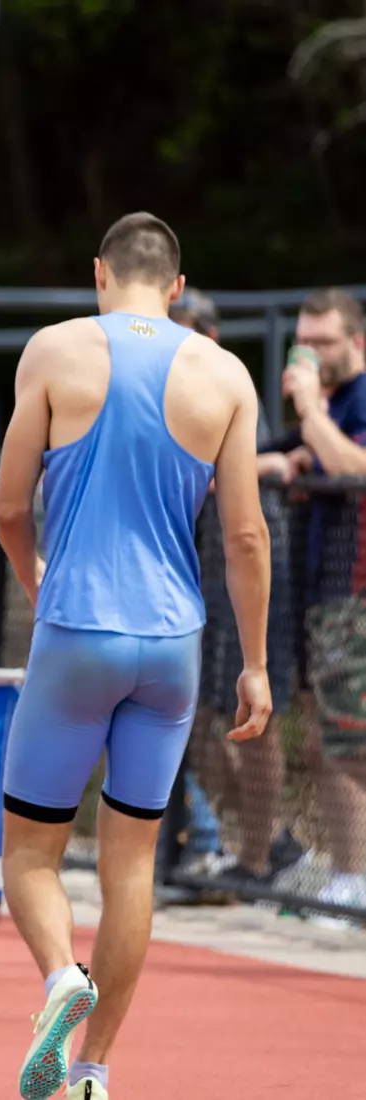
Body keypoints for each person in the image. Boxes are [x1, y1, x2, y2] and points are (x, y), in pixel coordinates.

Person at [0, 213, 272, 1100]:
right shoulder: (224, 373)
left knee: (29, 856)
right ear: (178, 287)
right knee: (131, 867)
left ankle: (58, 980)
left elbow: (7, 505)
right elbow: (245, 535)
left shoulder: (55, 349)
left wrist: (36, 581)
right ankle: (94, 1070)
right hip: (173, 646)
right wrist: (255, 664)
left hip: (78, 627)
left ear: (99, 277)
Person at [169, 289, 299, 886]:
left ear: (210, 336)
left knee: (251, 717)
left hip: (243, 575)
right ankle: (265, 839)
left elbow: (242, 503)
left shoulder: (224, 387)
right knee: (199, 725)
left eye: (183, 330)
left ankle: (259, 855)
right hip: (197, 572)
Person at [257, 288, 366, 924]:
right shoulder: (322, 411)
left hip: (357, 596)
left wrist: (311, 414)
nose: (310, 353)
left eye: (323, 342)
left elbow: (353, 467)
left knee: (352, 745)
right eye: (304, 340)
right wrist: (287, 455)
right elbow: (273, 456)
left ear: (356, 344)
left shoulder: (351, 401)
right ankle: (348, 879)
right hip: (322, 598)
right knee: (329, 744)